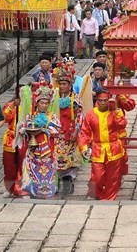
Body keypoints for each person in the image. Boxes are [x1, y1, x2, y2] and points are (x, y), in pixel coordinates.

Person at [78, 90, 128, 200]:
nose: (103, 103)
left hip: (114, 148)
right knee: (97, 176)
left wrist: (116, 111)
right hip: (98, 148)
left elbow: (122, 124)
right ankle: (98, 194)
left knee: (113, 177)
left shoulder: (114, 112)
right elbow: (84, 132)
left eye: (105, 100)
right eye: (100, 100)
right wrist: (84, 147)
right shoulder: (91, 114)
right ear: (97, 101)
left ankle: (109, 198)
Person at [19, 81, 61, 198]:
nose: (44, 105)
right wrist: (26, 130)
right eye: (41, 103)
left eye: (46, 103)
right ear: (37, 103)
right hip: (33, 148)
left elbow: (57, 129)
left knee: (48, 169)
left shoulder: (52, 116)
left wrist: (45, 130)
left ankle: (48, 190)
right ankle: (30, 189)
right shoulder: (30, 116)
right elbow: (23, 128)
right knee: (31, 168)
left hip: (48, 147)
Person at [53, 62, 84, 195]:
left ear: (70, 85)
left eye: (65, 84)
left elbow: (79, 116)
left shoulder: (75, 99)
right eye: (60, 84)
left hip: (70, 131)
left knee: (70, 158)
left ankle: (68, 180)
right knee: (56, 157)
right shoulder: (53, 98)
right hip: (57, 131)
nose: (62, 86)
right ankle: (56, 182)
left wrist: (76, 130)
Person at [2, 96, 26, 198]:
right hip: (10, 139)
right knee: (9, 166)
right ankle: (9, 188)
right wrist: (13, 105)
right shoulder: (9, 105)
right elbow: (5, 118)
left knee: (22, 164)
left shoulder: (28, 106)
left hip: (24, 138)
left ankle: (22, 188)